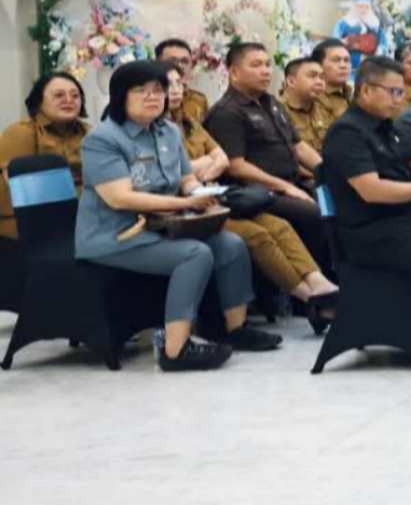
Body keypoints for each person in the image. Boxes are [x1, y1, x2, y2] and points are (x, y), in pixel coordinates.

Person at [77, 60, 282, 369]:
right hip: (116, 235)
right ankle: (176, 349)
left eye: (159, 90)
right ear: (120, 96)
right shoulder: (103, 139)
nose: (153, 97)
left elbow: (186, 179)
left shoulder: (168, 131)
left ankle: (235, 329)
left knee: (231, 245)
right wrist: (184, 205)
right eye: (141, 91)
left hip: (163, 228)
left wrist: (200, 194)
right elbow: (119, 198)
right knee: (195, 254)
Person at [318, 56, 411, 371]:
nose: (399, 100)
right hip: (369, 232)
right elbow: (372, 190)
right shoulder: (347, 133)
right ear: (366, 90)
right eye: (393, 92)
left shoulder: (388, 128)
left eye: (401, 93)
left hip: (402, 221)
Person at [167, 63, 337, 322]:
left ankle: (322, 284)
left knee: (279, 226)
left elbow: (220, 159)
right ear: (234, 72)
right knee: (265, 231)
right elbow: (205, 168)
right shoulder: (220, 113)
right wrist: (199, 169)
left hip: (213, 197)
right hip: (189, 206)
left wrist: (329, 174)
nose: (176, 91)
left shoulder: (189, 122)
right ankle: (309, 298)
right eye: (167, 86)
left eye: (180, 84)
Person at [203, 41, 328, 261]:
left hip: (292, 182)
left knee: (332, 198)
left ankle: (339, 270)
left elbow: (297, 145)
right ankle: (315, 280)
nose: (266, 71)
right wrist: (286, 187)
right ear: (234, 72)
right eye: (256, 65)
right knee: (312, 213)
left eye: (268, 64)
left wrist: (327, 171)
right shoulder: (227, 112)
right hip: (256, 192)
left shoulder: (270, 102)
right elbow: (236, 166)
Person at [0, 72, 89, 239]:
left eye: (75, 95)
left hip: (83, 218)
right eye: (59, 95)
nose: (69, 100)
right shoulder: (22, 132)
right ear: (39, 101)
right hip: (25, 224)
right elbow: (21, 187)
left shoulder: (90, 132)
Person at [280, 56, 335, 153]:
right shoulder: (277, 111)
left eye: (322, 77)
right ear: (291, 81)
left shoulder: (326, 108)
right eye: (312, 76)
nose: (319, 82)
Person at [154, 38, 209, 122]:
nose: (179, 66)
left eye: (185, 61)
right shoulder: (149, 99)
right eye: (172, 61)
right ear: (156, 63)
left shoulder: (199, 100)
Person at [312, 38, 354, 122]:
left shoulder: (355, 97)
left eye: (347, 60)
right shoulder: (309, 97)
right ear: (318, 65)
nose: (343, 65)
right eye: (336, 60)